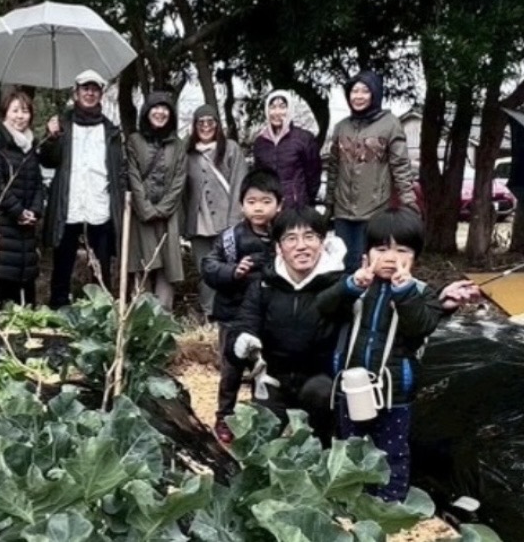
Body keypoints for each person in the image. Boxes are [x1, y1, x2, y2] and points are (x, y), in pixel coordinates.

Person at [317, 208, 481, 502]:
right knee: (350, 444)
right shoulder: (356, 286)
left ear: (415, 258)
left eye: (401, 250)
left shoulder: (421, 292)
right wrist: (353, 284)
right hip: (351, 385)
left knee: (391, 449)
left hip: (394, 390)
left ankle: (390, 504)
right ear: (366, 253)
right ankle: (350, 499)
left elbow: (420, 325)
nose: (390, 257)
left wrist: (404, 292)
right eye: (381, 248)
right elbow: (324, 307)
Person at [229, 207, 346, 442]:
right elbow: (243, 324)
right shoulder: (264, 285)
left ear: (323, 242)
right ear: (278, 248)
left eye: (310, 237)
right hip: (273, 379)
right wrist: (242, 341)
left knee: (320, 405)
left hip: (321, 383)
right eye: (291, 238)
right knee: (257, 446)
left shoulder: (340, 285)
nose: (301, 246)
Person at [200, 169, 282, 444]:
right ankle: (225, 416)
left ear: (279, 205)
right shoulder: (230, 239)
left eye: (266, 201)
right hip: (233, 316)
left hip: (268, 318)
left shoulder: (283, 237)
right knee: (231, 371)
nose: (258, 207)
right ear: (241, 205)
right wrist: (233, 271)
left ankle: (262, 419)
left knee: (265, 370)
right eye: (252, 201)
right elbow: (208, 267)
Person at [40, 69, 126, 308]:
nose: (89, 93)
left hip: (100, 204)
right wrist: (52, 137)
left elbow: (118, 168)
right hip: (69, 204)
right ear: (76, 93)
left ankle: (101, 309)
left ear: (101, 93)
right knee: (62, 262)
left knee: (101, 263)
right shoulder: (63, 124)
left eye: (94, 89)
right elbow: (47, 160)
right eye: (85, 88)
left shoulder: (111, 130)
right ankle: (59, 307)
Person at [326, 70, 417, 273]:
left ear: (375, 94)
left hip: (374, 210)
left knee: (369, 262)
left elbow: (401, 166)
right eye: (354, 91)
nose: (358, 96)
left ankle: (371, 302)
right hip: (342, 211)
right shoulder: (341, 127)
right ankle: (346, 303)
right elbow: (333, 167)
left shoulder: (390, 124)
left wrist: (409, 201)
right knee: (342, 263)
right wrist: (329, 203)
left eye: (364, 91)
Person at [0, 90, 45, 306]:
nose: (20, 116)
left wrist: (34, 211)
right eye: (14, 111)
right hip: (2, 224)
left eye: (25, 111)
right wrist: (17, 212)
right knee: (0, 277)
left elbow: (38, 184)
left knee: (25, 285)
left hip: (26, 228)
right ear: (5, 114)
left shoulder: (31, 147)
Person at [184, 104, 247, 319]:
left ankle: (231, 312)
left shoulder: (231, 149)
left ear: (217, 125)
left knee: (230, 268)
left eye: (210, 122)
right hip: (199, 221)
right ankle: (209, 313)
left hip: (226, 220)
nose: (206, 126)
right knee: (205, 271)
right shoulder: (188, 152)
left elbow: (240, 183)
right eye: (201, 123)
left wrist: (234, 220)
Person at [125, 91, 186, 311]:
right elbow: (132, 176)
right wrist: (146, 209)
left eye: (165, 108)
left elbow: (179, 180)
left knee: (167, 267)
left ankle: (162, 320)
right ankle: (141, 318)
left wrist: (163, 209)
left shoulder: (178, 145)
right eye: (155, 107)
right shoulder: (134, 140)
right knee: (142, 264)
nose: (160, 112)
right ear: (146, 111)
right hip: (140, 214)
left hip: (168, 216)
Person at [252, 90, 321, 210]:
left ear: (290, 110)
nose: (277, 112)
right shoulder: (260, 142)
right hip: (269, 206)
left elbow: (313, 175)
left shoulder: (304, 138)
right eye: (272, 107)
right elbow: (259, 176)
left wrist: (304, 200)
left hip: (297, 207)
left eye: (282, 107)